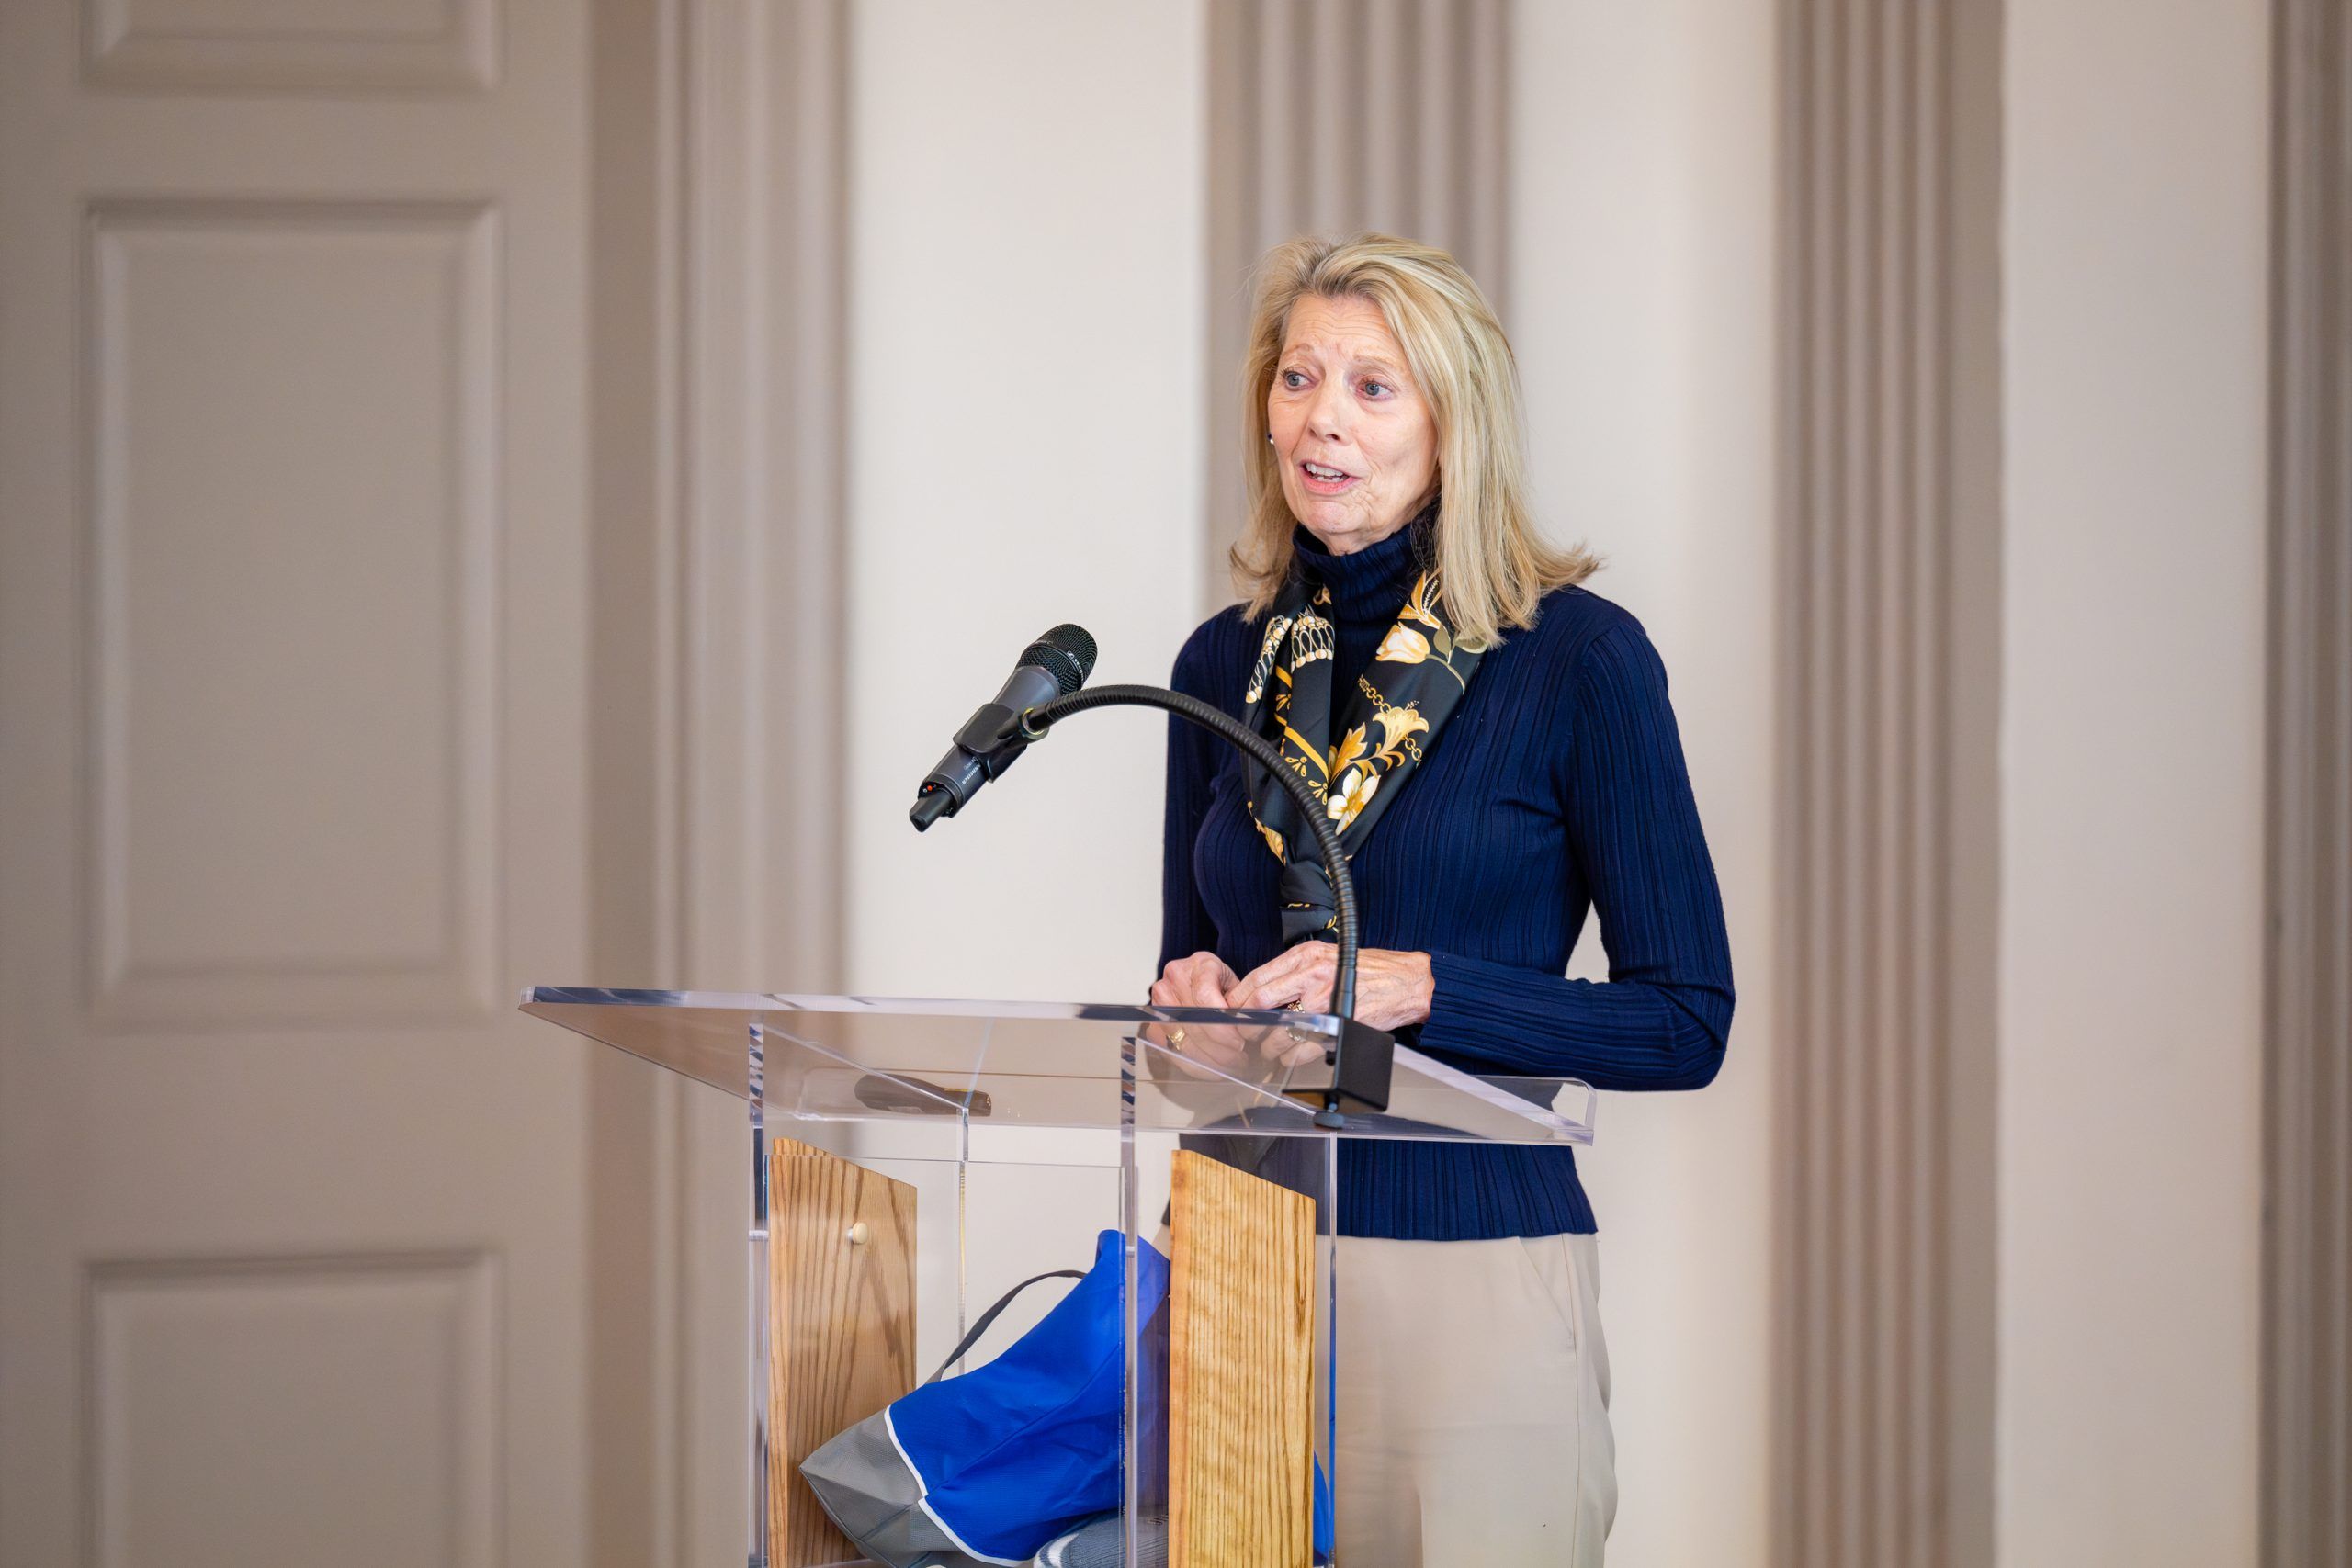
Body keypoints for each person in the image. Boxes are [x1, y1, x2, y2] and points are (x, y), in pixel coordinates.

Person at [1150, 232, 1735, 1564]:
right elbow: (1193, 992)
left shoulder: (1578, 660)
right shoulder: (1216, 665)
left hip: (1469, 1281)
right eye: (1298, 378)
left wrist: (1422, 987)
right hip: (1241, 1249)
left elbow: (1686, 1023)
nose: (1322, 419)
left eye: (1373, 386)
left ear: (1452, 422)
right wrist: (1191, 1011)